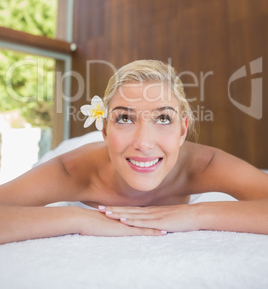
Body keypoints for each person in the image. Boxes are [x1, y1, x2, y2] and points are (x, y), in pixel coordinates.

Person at [0, 59, 268, 244]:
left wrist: (197, 215)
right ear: (105, 128)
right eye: (125, 118)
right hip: (100, 152)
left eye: (163, 119)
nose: (144, 142)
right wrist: (80, 219)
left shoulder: (204, 164)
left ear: (183, 130)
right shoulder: (73, 171)